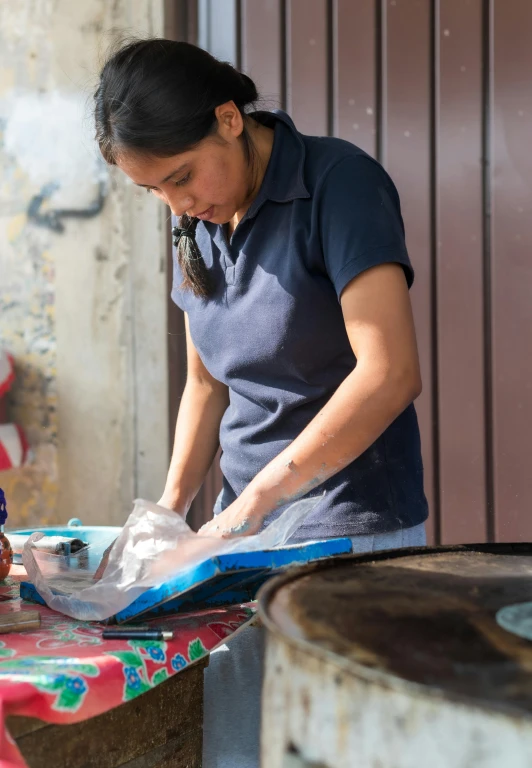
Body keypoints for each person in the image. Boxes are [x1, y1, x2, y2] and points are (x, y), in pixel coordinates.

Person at [94, 38, 428, 768]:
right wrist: (170, 510)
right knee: (241, 745)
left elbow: (391, 371)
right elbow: (207, 384)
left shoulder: (338, 184)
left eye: (181, 177)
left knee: (333, 748)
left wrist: (258, 502)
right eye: (154, 193)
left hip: (346, 529)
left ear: (228, 119)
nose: (177, 205)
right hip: (243, 536)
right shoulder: (198, 223)